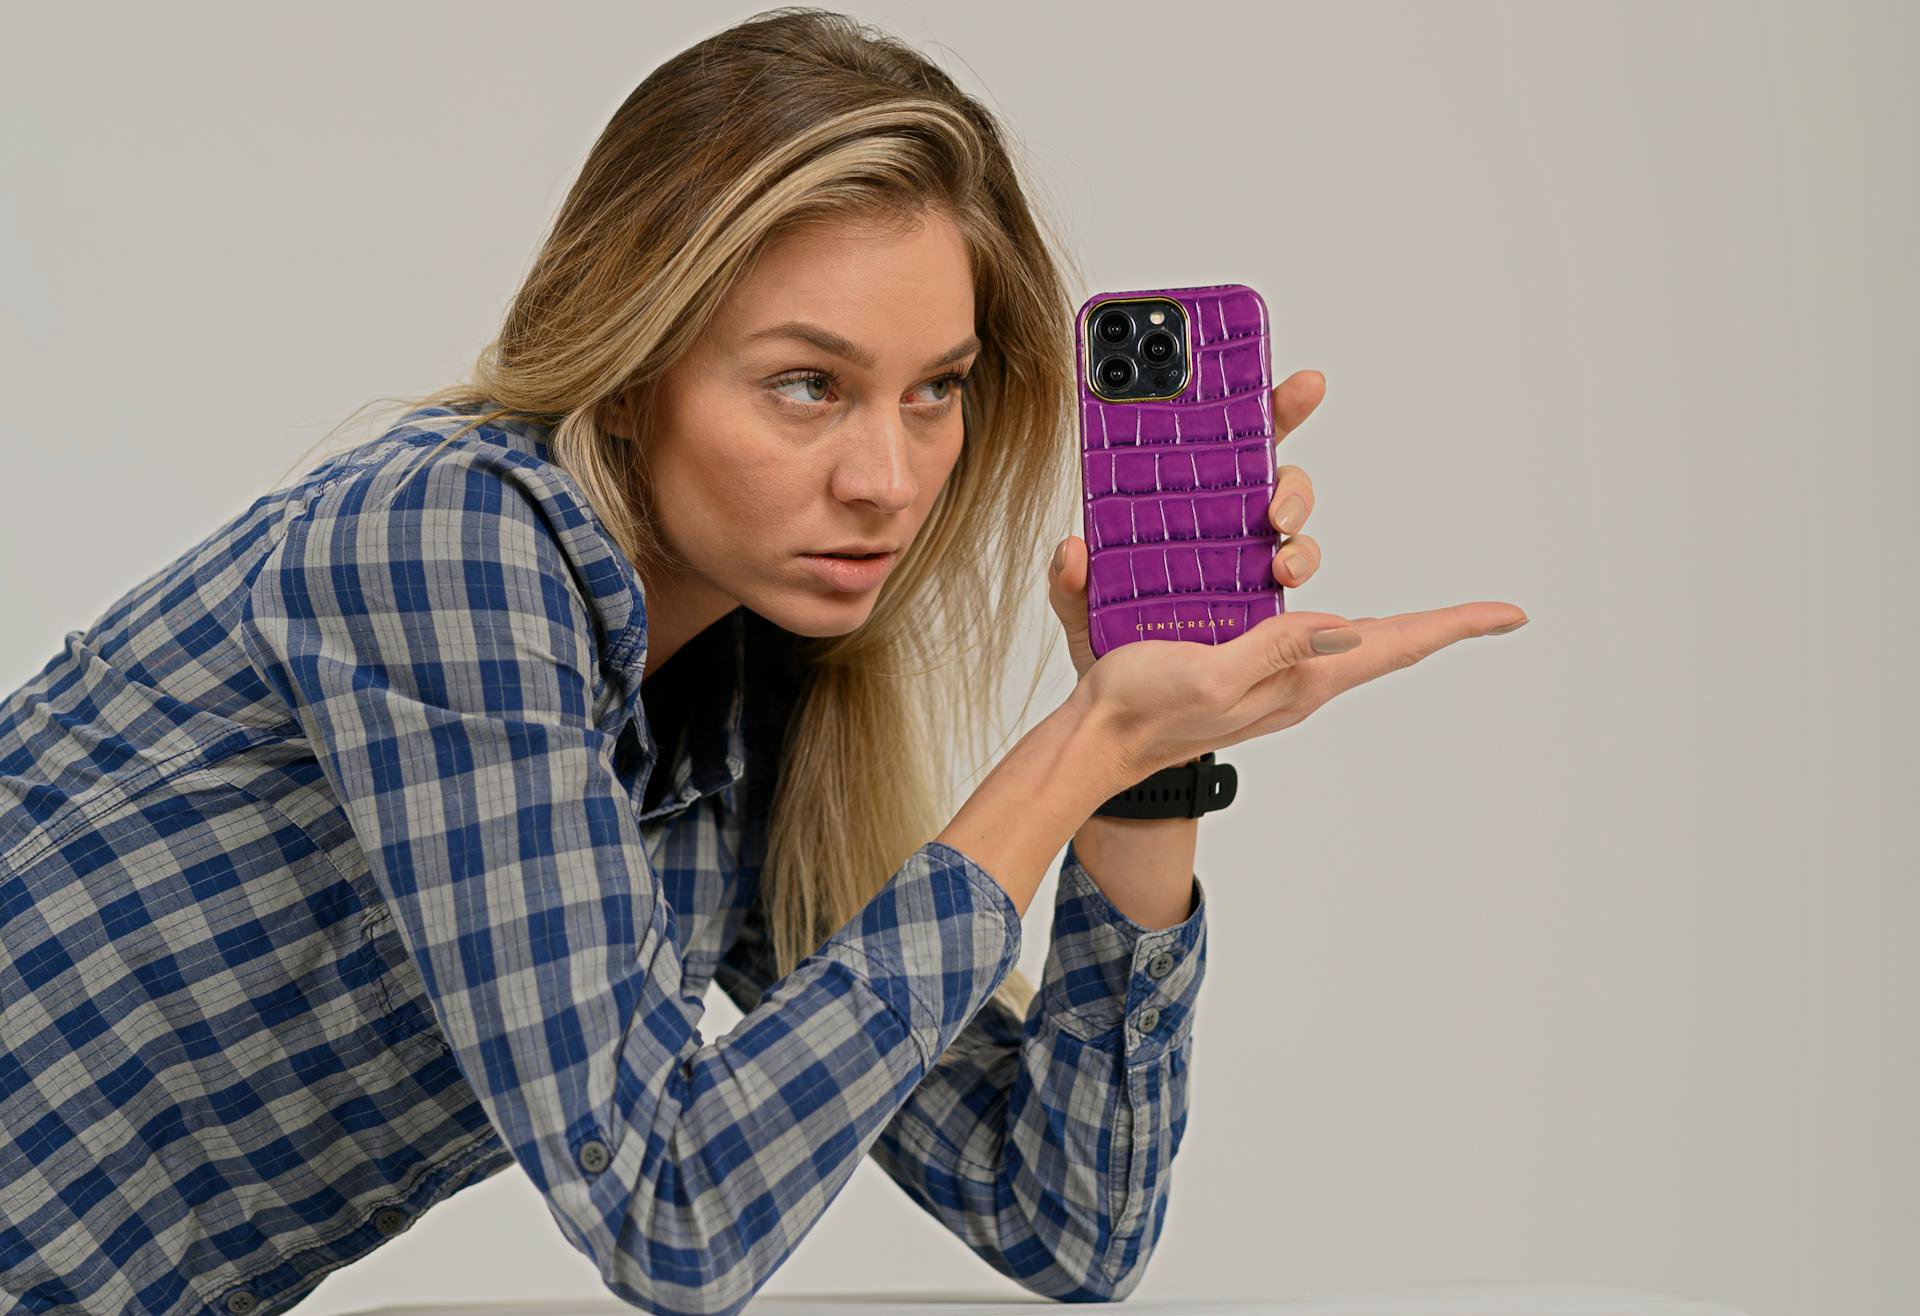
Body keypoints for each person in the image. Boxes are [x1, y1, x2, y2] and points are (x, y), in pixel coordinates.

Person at [0, 9, 1527, 1316]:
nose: (888, 476)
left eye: (938, 391)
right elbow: (673, 1216)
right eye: (808, 386)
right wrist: (1070, 754)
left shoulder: (735, 718)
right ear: (633, 355)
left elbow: (1064, 1222)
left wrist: (1147, 758)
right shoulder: (446, 543)